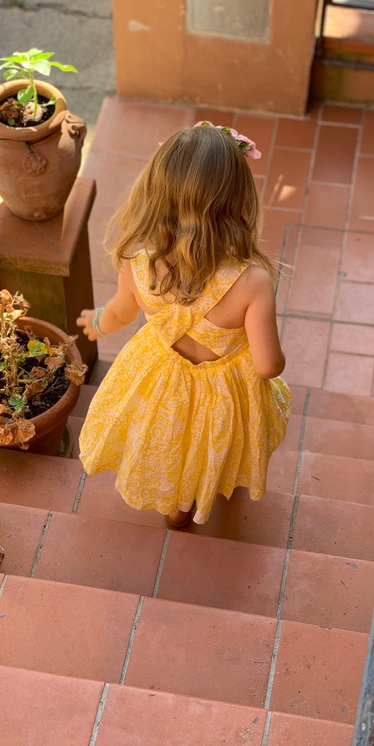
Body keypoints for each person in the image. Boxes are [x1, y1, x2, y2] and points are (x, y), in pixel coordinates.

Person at [76, 121, 291, 528]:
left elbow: (121, 313)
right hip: (223, 393)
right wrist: (274, 357)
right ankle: (206, 490)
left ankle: (176, 509)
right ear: (238, 200)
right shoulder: (253, 282)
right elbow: (266, 366)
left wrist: (98, 323)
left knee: (169, 441)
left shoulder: (139, 264)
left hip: (159, 382)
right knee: (212, 443)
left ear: (156, 192)